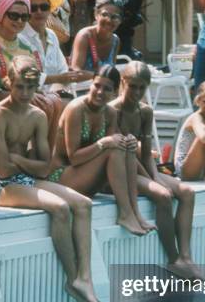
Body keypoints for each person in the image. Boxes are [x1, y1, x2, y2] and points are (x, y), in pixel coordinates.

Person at [0, 55, 103, 302]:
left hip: (25, 178)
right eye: (19, 87)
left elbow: (45, 166)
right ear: (9, 83)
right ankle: (72, 279)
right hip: (0, 186)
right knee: (59, 208)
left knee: (83, 204)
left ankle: (85, 278)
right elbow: (2, 171)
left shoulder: (37, 115)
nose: (25, 93)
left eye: (31, 87)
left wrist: (16, 158)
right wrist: (23, 162)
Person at [112, 61, 203, 278]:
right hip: (119, 172)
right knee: (163, 195)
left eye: (141, 87)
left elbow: (145, 155)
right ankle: (173, 259)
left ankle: (186, 257)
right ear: (123, 82)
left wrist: (155, 176)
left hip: (140, 168)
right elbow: (124, 156)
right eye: (132, 86)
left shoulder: (145, 111)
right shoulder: (113, 110)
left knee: (187, 193)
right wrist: (154, 183)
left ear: (147, 87)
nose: (136, 92)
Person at [50, 65, 151, 236]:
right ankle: (125, 213)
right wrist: (102, 143)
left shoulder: (110, 113)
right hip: (61, 177)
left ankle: (134, 212)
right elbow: (73, 158)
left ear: (115, 91)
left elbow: (115, 149)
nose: (100, 92)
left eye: (107, 89)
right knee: (113, 147)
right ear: (91, 84)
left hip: (88, 176)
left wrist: (130, 142)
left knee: (122, 146)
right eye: (97, 85)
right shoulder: (76, 109)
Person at [0, 0, 64, 150]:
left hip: (23, 97)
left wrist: (32, 95)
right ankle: (38, 158)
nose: (19, 21)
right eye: (14, 15)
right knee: (46, 105)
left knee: (55, 101)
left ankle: (44, 159)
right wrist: (24, 96)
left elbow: (34, 82)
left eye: (24, 17)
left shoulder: (26, 45)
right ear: (2, 14)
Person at [20, 0, 91, 89]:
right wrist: (59, 79)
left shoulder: (52, 35)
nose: (39, 11)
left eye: (44, 7)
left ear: (50, 10)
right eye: (33, 8)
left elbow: (63, 71)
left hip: (53, 96)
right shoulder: (19, 36)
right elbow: (24, 76)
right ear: (26, 11)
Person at [71, 0, 123, 73]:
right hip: (81, 85)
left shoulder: (115, 41)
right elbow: (75, 71)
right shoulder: (85, 36)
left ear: (120, 20)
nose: (109, 20)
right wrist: (100, 77)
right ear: (96, 14)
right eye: (105, 14)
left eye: (114, 17)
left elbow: (111, 71)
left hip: (105, 85)